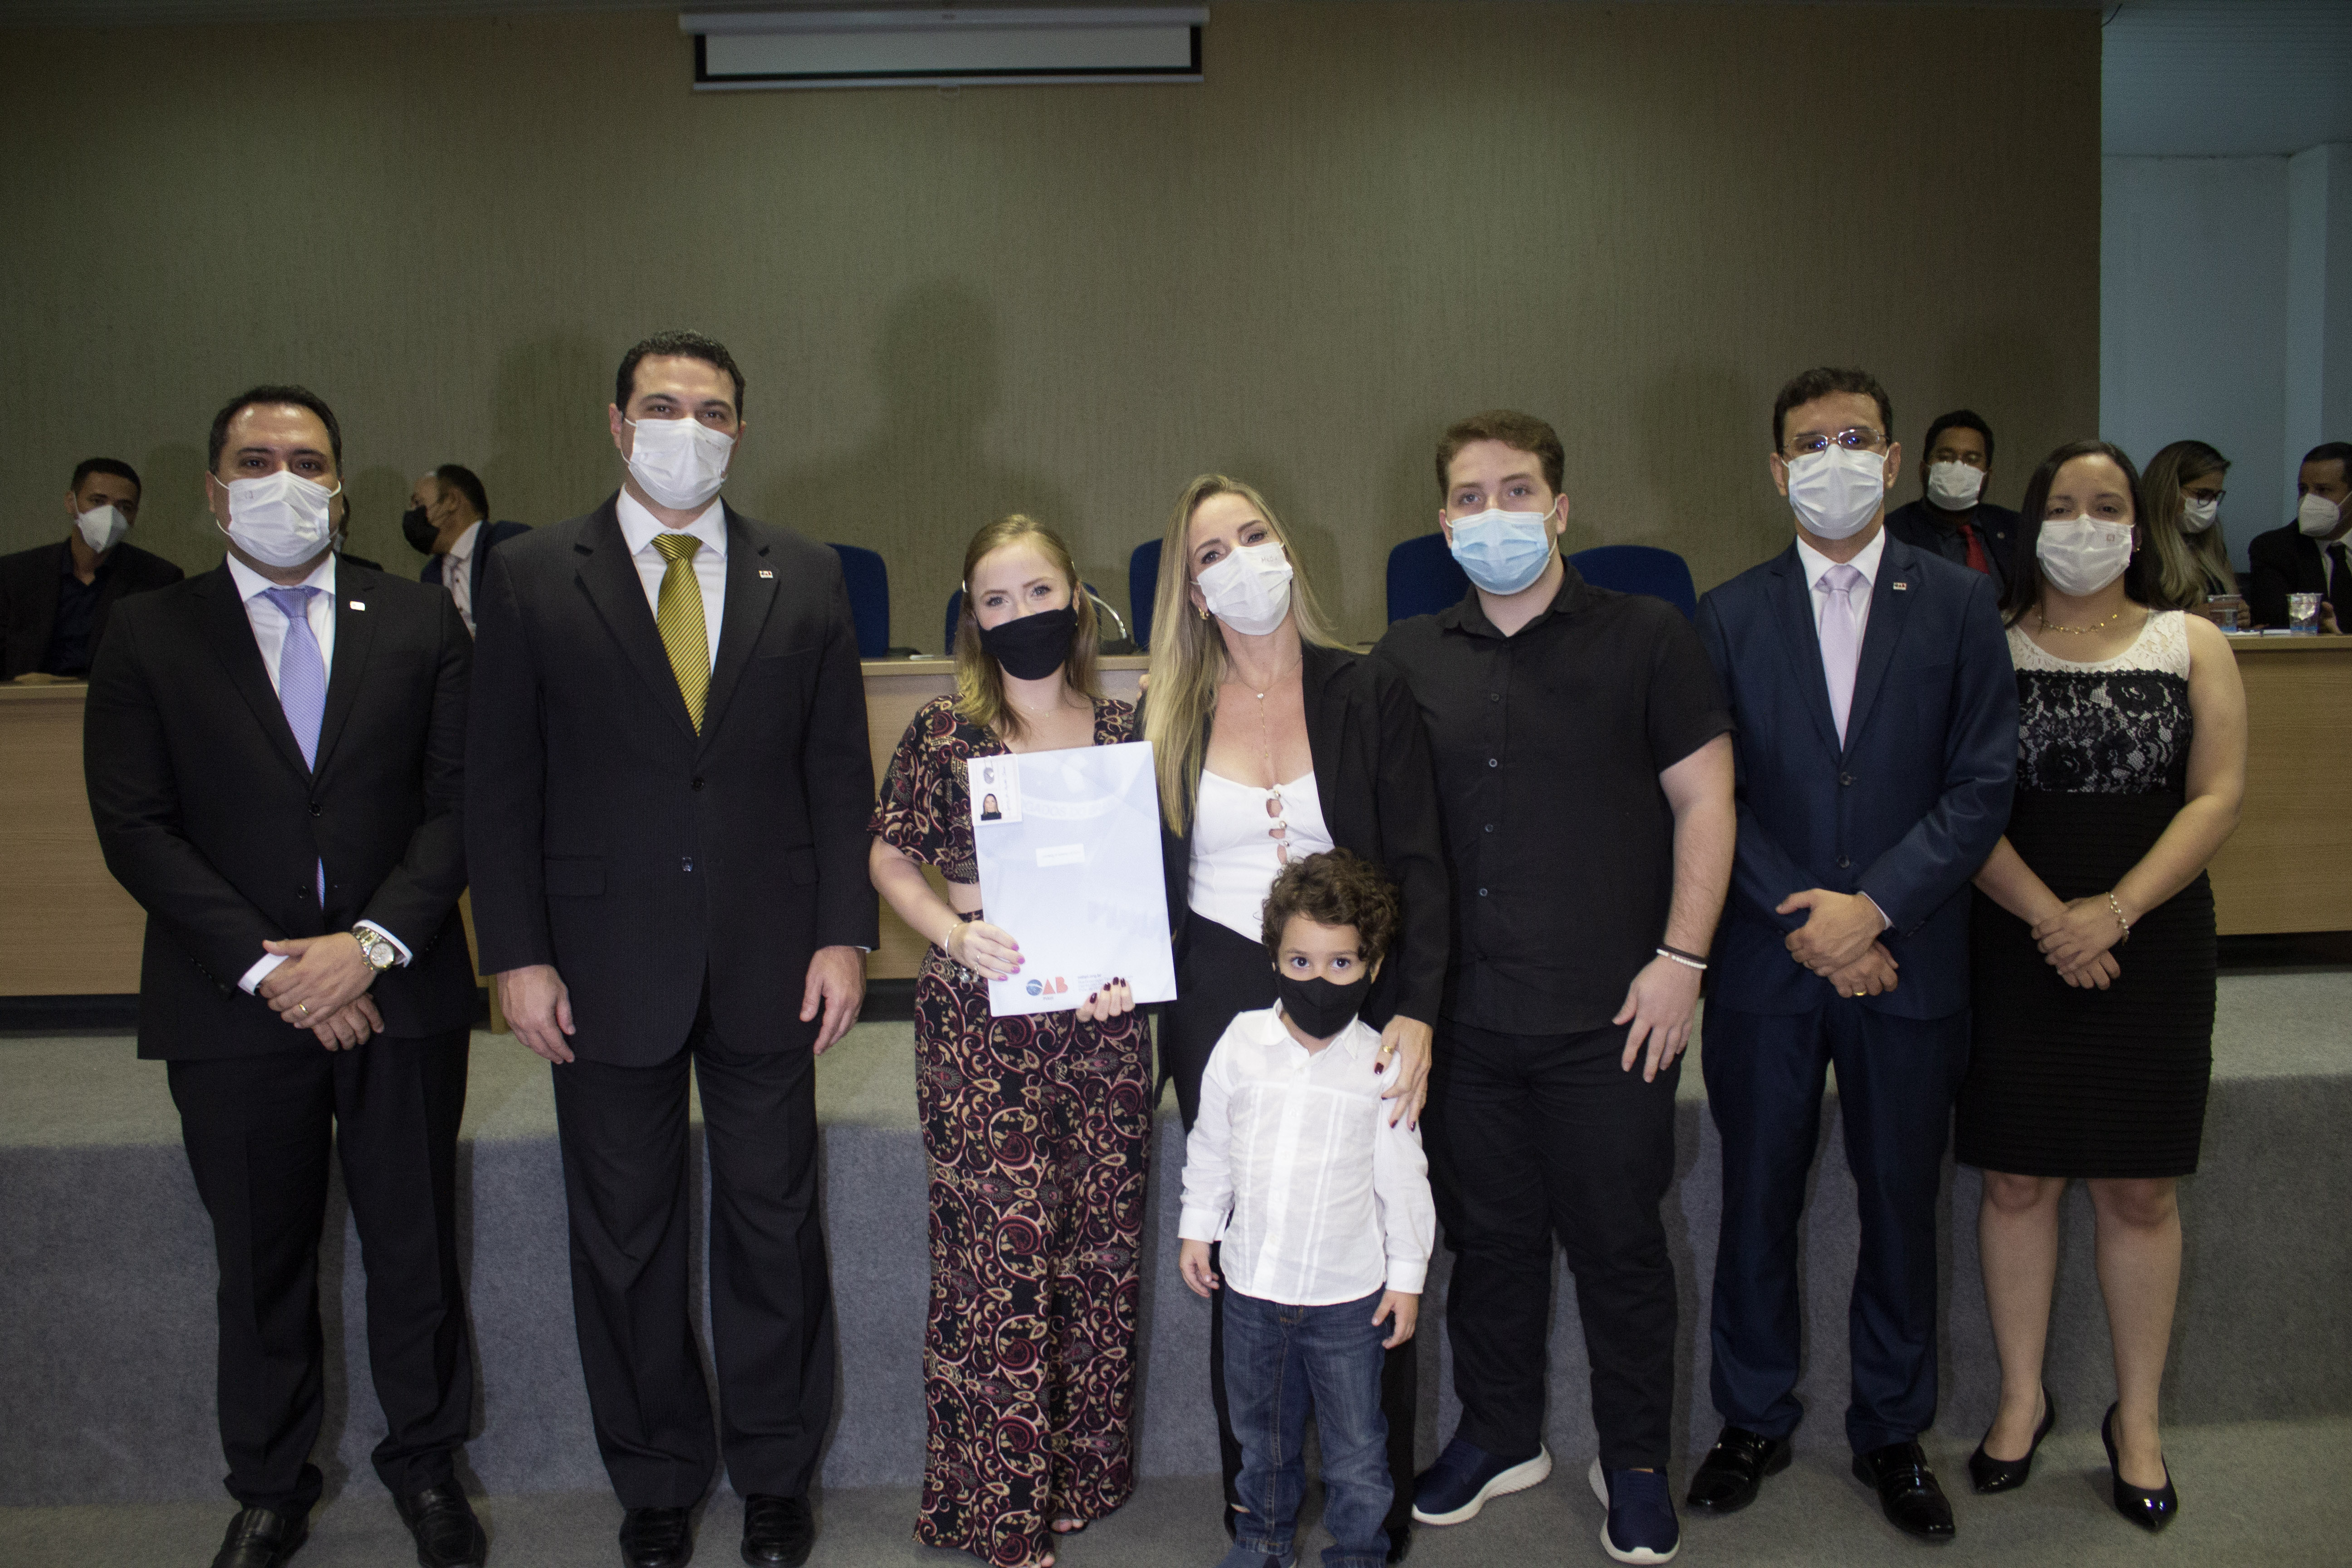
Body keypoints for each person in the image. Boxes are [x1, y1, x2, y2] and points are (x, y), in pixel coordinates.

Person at [465, 331, 875, 1568]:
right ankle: (654, 1477)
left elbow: (834, 772)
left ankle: (775, 1475)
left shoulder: (805, 572)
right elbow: (500, 781)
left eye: (710, 409)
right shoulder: (530, 573)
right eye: (660, 405)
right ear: (615, 422)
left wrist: (844, 934)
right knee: (624, 1236)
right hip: (598, 963)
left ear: (740, 429)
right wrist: (515, 953)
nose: (684, 427)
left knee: (772, 1227)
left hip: (771, 956)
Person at [83, 386, 484, 1568]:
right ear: (215, 492)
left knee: (414, 1249)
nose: (284, 481)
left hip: (399, 991)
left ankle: (428, 1468)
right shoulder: (149, 631)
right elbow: (135, 825)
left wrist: (367, 948)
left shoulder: (418, 621)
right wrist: (274, 969)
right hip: (231, 1005)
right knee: (260, 1263)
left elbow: (461, 804)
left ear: (341, 489)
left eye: (308, 463)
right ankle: (269, 1486)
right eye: (256, 461)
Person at [1377, 410, 1735, 1567]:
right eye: (1470, 497)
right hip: (1463, 1017)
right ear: (1443, 524)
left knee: (1620, 1243)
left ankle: (1632, 1458)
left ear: (1561, 508)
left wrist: (1683, 960)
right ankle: (1499, 1433)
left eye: (1517, 490)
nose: (1495, 514)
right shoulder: (1405, 657)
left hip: (1614, 1012)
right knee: (1487, 1241)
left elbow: (1706, 801)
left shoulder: (1649, 637)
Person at [1690, 368, 2016, 1544]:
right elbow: (1712, 795)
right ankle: (1752, 1418)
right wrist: (1814, 926)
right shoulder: (1725, 613)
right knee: (1756, 1202)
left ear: (1891, 459)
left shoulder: (1962, 606)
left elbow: (1981, 787)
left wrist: (1872, 911)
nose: (1836, 457)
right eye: (1811, 442)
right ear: (1779, 470)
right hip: (1769, 967)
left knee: (1900, 1205)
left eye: (1857, 437)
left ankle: (1892, 1430)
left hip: (1910, 960)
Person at [1142, 473, 1447, 1563]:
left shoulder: (1367, 689)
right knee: (1248, 1246)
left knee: (1365, 1227)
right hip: (1218, 1001)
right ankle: (1255, 1512)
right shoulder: (1167, 715)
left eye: (1252, 534)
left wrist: (1418, 1009)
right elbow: (1141, 886)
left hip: (1353, 993)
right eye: (1210, 552)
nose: (1238, 562)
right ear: (1191, 591)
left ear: (1286, 547)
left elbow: (1420, 862)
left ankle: (1374, 1512)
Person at [1956, 440, 2244, 1534]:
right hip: (2012, 931)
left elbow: (2215, 797)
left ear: (2138, 524)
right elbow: (1958, 804)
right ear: (2032, 524)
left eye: (2107, 505)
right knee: (2015, 1180)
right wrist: (2052, 919)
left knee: (2139, 1189)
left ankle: (2139, 1419)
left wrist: (2112, 912)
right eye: (2063, 506)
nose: (2085, 524)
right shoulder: (1983, 646)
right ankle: (2021, 1398)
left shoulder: (2193, 641)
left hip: (2153, 935)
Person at [868, 514, 1152, 1568]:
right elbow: (888, 854)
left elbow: (1143, 884)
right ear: (971, 617)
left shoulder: (1126, 729)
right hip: (979, 1028)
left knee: (1098, 1257)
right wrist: (949, 933)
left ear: (1076, 600)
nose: (1019, 613)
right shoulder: (944, 729)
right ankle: (997, 1507)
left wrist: (1129, 973)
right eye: (995, 599)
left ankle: (1079, 1477)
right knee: (1001, 1262)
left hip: (1104, 1035)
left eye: (1037, 592)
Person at [1178, 849, 1434, 1568]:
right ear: (1275, 960)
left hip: (1349, 1302)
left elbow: (1405, 1181)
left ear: (1372, 968)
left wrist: (1407, 1278)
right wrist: (1198, 1230)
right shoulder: (1241, 1043)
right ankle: (1262, 1541)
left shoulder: (1383, 1064)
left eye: (1341, 963)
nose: (1319, 980)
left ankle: (1358, 1551)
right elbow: (1211, 1146)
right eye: (1301, 962)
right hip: (1253, 1292)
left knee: (1358, 1448)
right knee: (1262, 1439)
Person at [0, 456, 183, 679]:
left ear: (134, 516)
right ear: (71, 503)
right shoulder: (16, 574)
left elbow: (161, 665)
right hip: (27, 698)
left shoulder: (158, 580)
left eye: (124, 507)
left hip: (113, 699)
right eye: (98, 501)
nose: (110, 515)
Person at [1883, 409, 2020, 593]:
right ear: (1923, 470)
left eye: (1972, 459)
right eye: (1945, 458)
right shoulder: (1891, 534)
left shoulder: (2016, 529)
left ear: (1988, 475)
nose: (1958, 467)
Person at [405, 464, 529, 635]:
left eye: (418, 503)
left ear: (452, 501)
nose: (412, 514)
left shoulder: (509, 543)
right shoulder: (430, 575)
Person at [2244, 440, 2352, 627]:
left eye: (2322, 490)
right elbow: (2274, 620)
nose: (2308, 500)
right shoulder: (2274, 549)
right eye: (2304, 490)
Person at [2139, 441, 2240, 619]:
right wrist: (2192, 617)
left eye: (2215, 497)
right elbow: (2126, 620)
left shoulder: (2212, 545)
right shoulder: (2139, 547)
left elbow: (2230, 601)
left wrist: (2238, 615)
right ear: (2169, 489)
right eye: (2202, 494)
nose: (2211, 505)